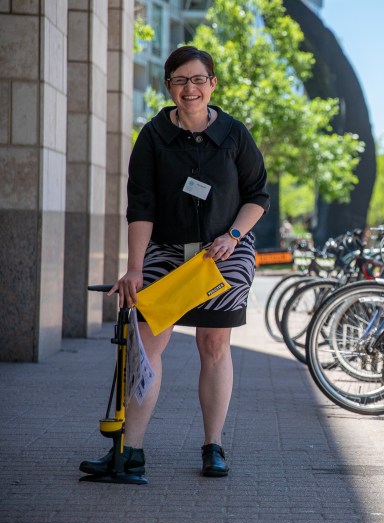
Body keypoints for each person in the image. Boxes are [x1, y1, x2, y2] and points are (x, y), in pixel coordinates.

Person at [79, 46, 270, 478]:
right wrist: (135, 267)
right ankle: (131, 451)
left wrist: (233, 236)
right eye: (181, 80)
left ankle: (213, 446)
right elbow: (141, 206)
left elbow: (258, 195)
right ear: (168, 86)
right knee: (147, 345)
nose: (190, 88)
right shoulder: (152, 136)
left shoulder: (235, 135)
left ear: (212, 84)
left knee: (214, 345)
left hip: (224, 252)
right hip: (167, 249)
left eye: (199, 79)